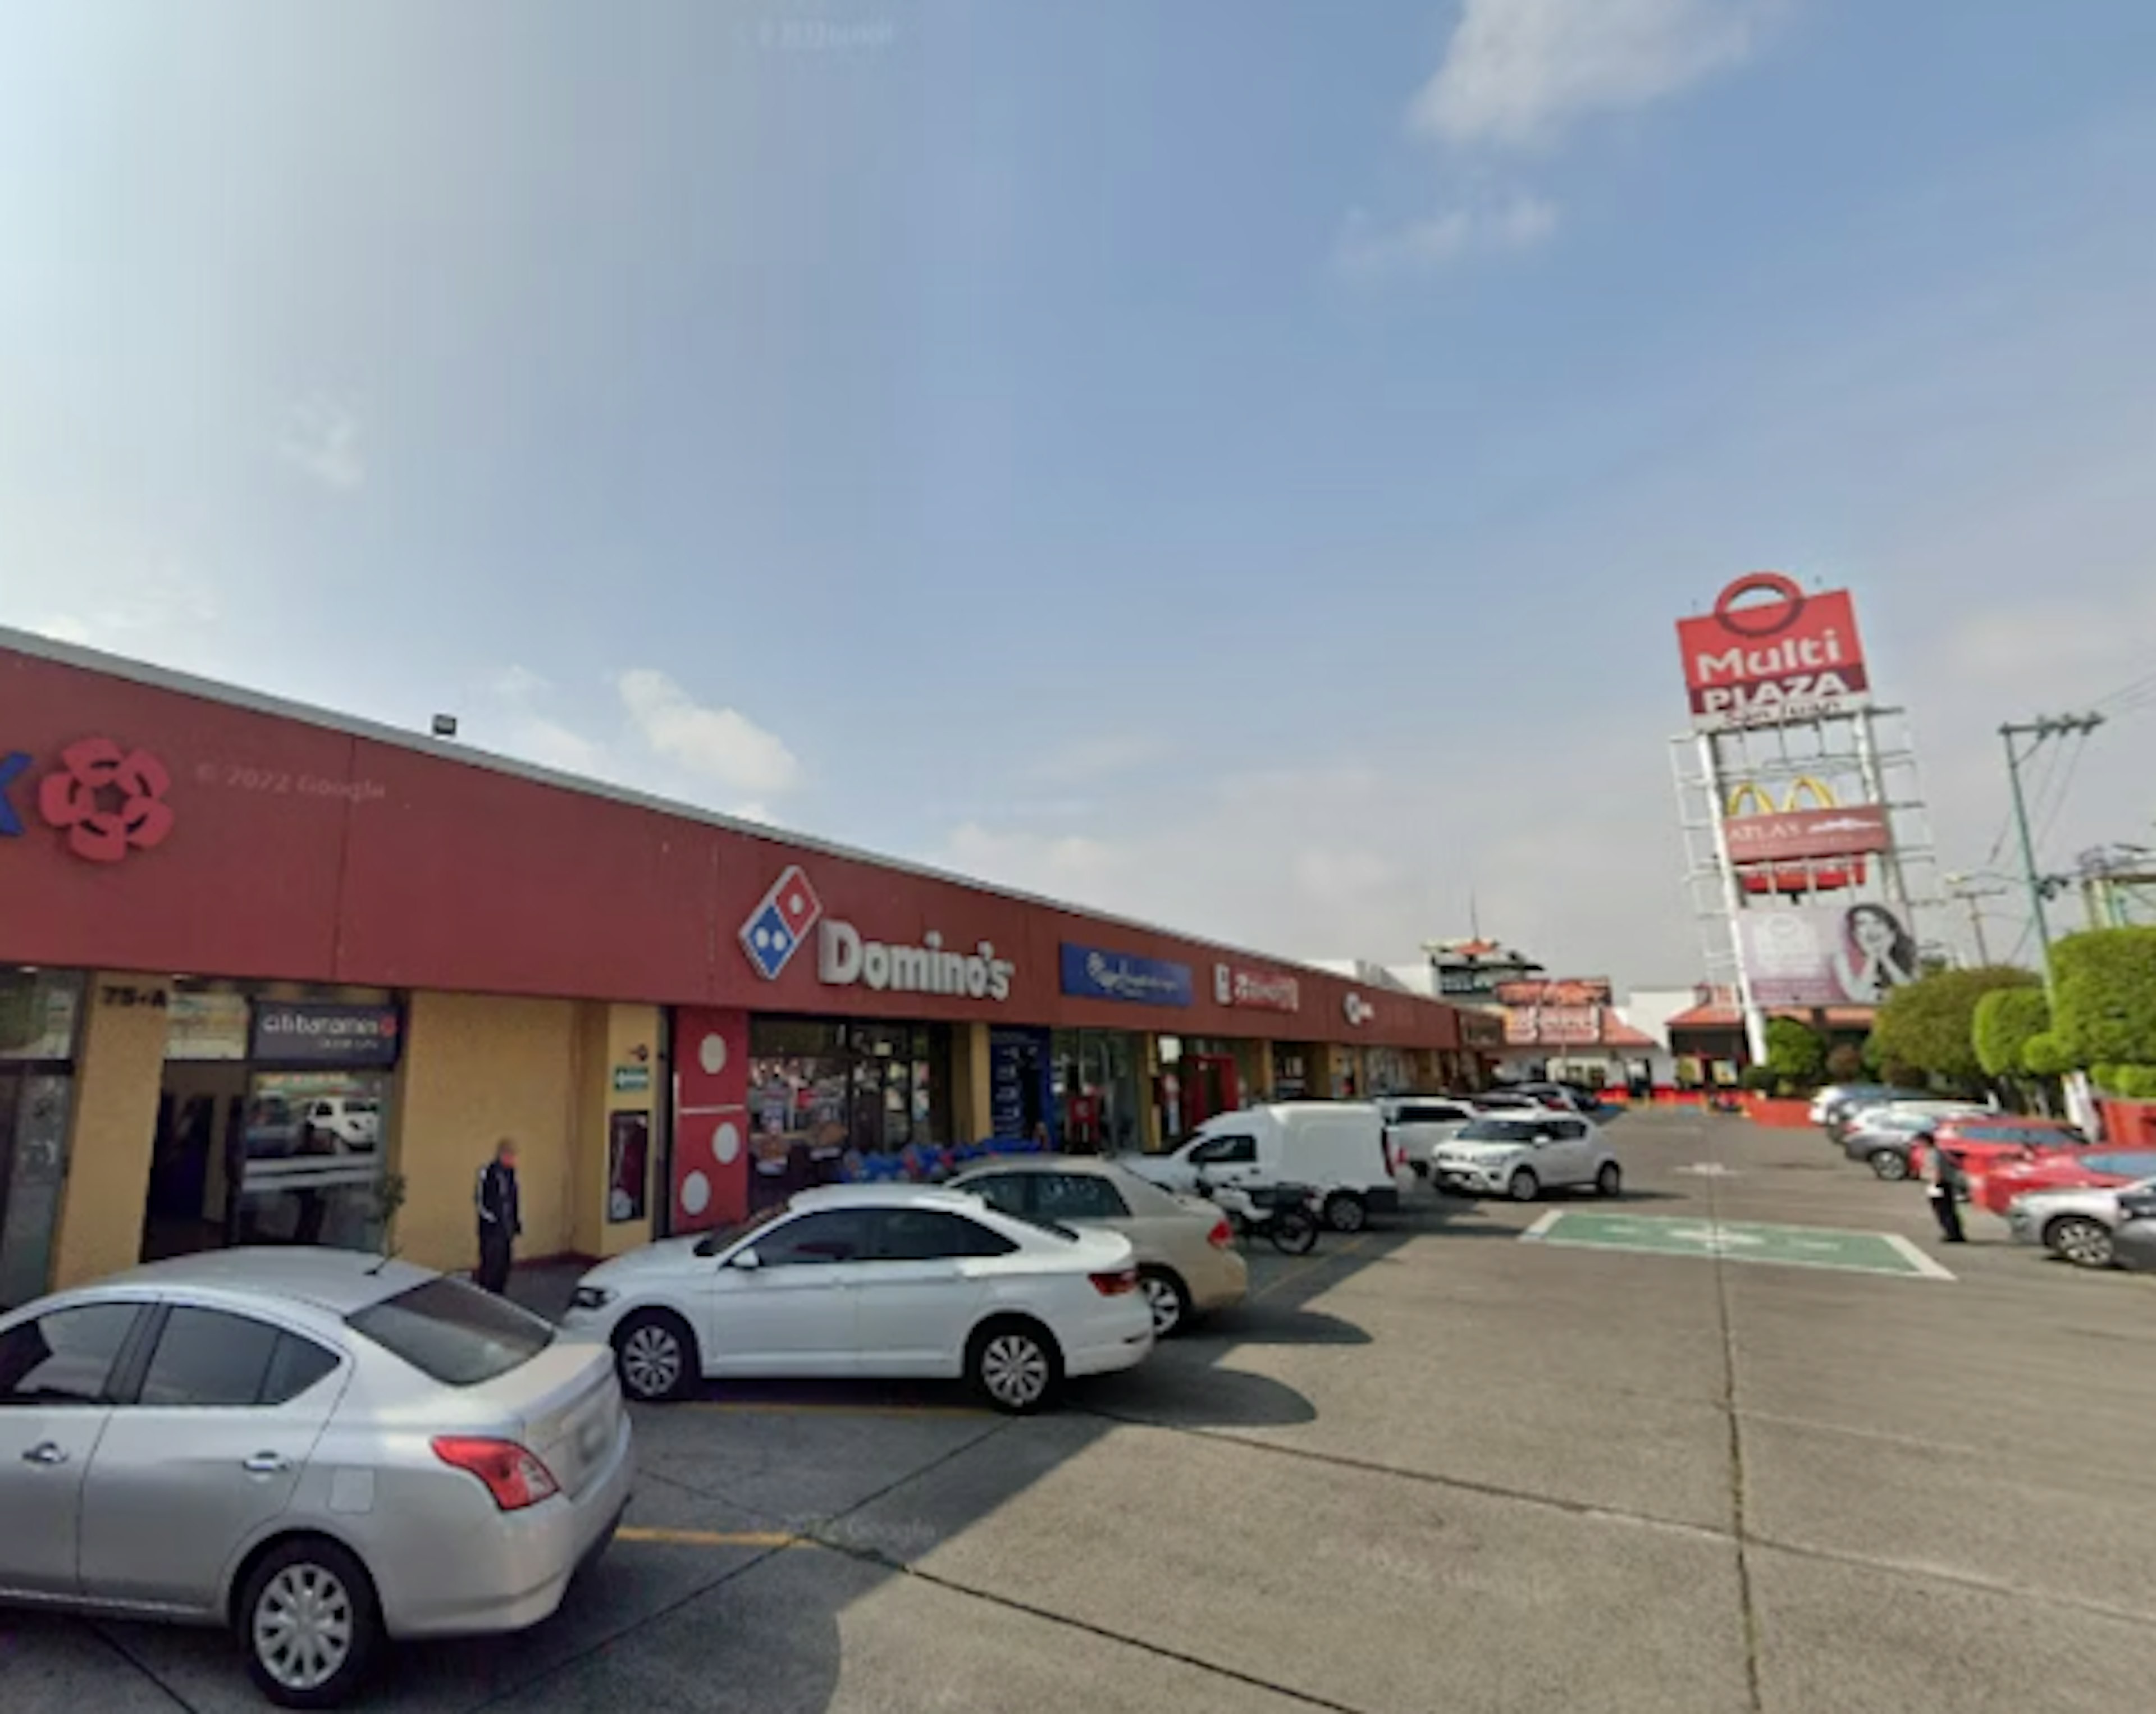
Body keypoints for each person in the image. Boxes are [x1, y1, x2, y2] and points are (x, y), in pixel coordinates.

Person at [1833, 903, 1919, 1004]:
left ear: (1890, 928)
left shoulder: (1907, 951)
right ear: (1854, 932)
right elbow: (1858, 996)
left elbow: (1911, 992)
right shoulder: (1843, 959)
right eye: (1862, 924)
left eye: (1878, 922)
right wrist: (1872, 958)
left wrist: (1885, 957)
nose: (1871, 929)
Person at [474, 1139, 522, 1292]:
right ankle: (485, 1294)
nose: (513, 1158)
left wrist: (515, 1221)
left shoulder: (511, 1174)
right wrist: (493, 1219)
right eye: (511, 1155)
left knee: (504, 1265)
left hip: (506, 1229)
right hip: (491, 1230)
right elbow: (480, 1200)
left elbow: (514, 1199)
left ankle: (499, 1292)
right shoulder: (488, 1171)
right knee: (490, 1265)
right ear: (502, 1155)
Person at [1926, 1138, 1966, 1244]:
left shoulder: (1934, 1153)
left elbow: (1937, 1169)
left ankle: (1952, 1234)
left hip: (1939, 1184)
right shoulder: (1941, 1152)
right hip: (1944, 1183)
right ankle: (1955, 1233)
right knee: (1948, 1209)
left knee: (1943, 1209)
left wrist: (1934, 1184)